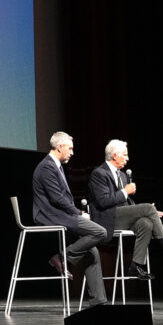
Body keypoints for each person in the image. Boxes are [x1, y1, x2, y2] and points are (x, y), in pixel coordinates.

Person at [87, 139, 163, 279]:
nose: (127, 158)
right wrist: (125, 192)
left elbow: (126, 205)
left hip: (122, 217)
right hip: (107, 219)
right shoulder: (99, 173)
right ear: (114, 155)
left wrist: (151, 214)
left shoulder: (122, 175)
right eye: (124, 155)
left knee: (147, 223)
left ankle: (136, 265)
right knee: (148, 208)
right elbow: (103, 202)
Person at [32, 131, 107, 307]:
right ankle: (60, 257)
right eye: (70, 148)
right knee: (100, 231)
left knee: (92, 250)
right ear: (60, 147)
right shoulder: (46, 167)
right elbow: (57, 198)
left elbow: (61, 198)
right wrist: (78, 213)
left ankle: (99, 302)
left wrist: (75, 212)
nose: (72, 152)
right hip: (50, 215)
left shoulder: (55, 166)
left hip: (61, 215)